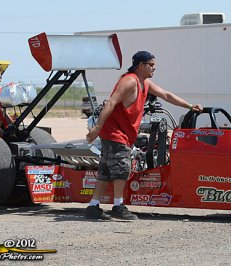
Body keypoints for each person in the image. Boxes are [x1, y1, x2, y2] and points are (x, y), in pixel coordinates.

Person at [85, 51, 203, 220]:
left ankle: (93, 207)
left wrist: (190, 106)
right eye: (151, 65)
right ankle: (118, 206)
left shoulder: (145, 83)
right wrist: (97, 128)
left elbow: (166, 95)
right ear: (141, 65)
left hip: (120, 134)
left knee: (106, 171)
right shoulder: (129, 81)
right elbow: (111, 102)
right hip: (115, 133)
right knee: (121, 170)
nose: (154, 68)